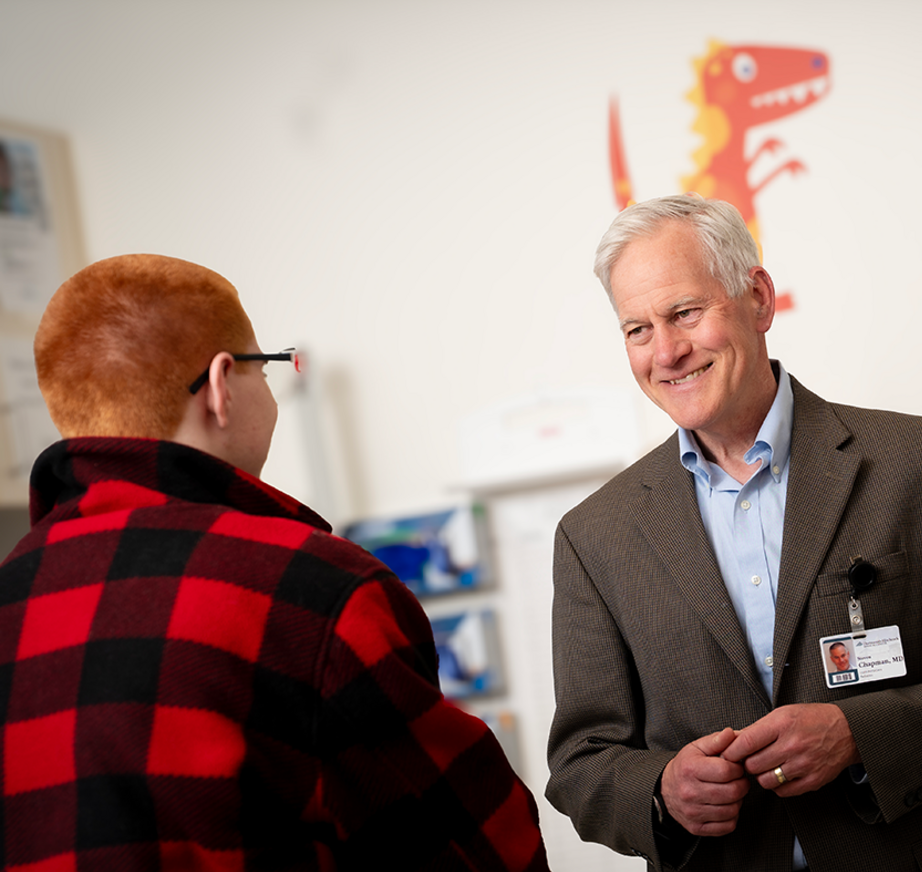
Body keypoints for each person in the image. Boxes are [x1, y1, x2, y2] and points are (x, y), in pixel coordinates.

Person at [547, 195, 922, 872]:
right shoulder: (595, 536)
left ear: (758, 298)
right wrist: (659, 792)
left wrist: (859, 736)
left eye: (685, 313)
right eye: (637, 330)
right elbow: (580, 765)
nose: (667, 352)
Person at [0, 254, 548, 871]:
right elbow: (483, 850)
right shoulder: (313, 593)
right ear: (220, 386)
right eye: (266, 368)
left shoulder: (10, 596)